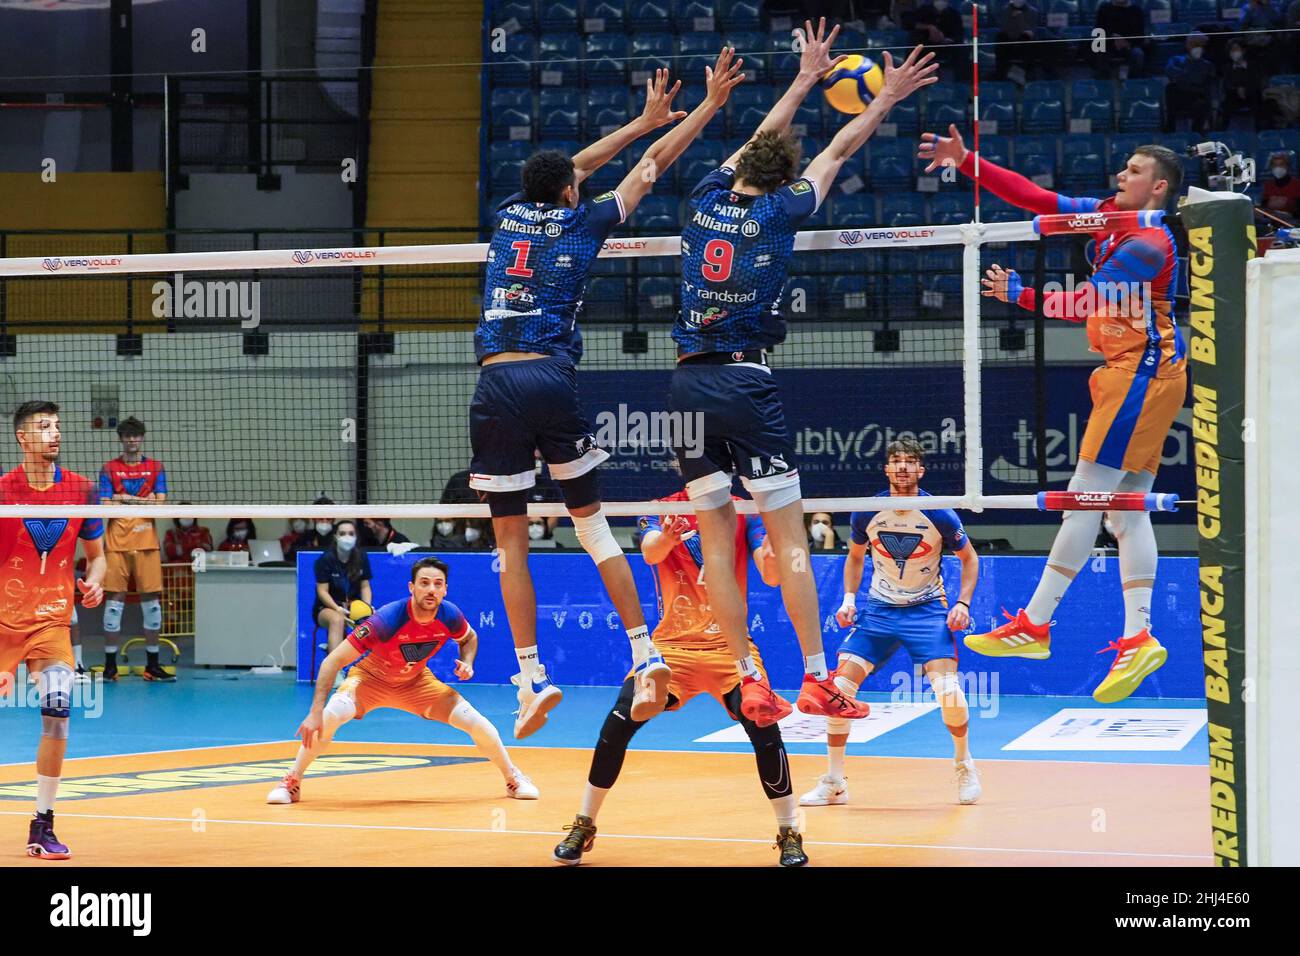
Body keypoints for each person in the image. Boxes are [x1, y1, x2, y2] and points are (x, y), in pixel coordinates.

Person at [469, 51, 745, 738]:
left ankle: (530, 678)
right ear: (569, 191)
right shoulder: (585, 221)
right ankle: (645, 652)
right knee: (592, 528)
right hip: (552, 378)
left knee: (511, 544)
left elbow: (574, 167)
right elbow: (652, 167)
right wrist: (699, 109)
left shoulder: (506, 218)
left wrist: (636, 120)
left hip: (496, 379)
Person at [668, 28, 937, 725]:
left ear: (736, 166)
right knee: (787, 539)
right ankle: (817, 677)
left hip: (683, 386)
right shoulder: (783, 207)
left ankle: (748, 673)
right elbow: (839, 148)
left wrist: (800, 78)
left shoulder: (703, 197)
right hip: (745, 382)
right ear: (785, 175)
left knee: (718, 545)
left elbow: (756, 142)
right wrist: (887, 99)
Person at [919, 125, 1185, 703]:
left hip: (1141, 371)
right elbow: (1038, 201)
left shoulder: (1151, 241)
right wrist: (967, 163)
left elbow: (1092, 301)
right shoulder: (1110, 214)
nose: (1121, 175)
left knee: (1086, 497)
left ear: (1159, 187)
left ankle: (1036, 625)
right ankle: (1139, 636)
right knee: (1125, 511)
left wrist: (1020, 295)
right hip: (1141, 371)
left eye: (1134, 171)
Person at [553, 492, 810, 867]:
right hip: (672, 648)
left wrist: (772, 553)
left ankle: (789, 832)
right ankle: (584, 824)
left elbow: (770, 575)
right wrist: (669, 538)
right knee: (619, 722)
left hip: (730, 647)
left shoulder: (742, 510)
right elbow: (650, 552)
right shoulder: (659, 508)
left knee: (763, 727)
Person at [267, 556, 538, 805]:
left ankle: (513, 778)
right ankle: (292, 781)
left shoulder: (450, 615)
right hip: (370, 679)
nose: (431, 589)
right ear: (412, 587)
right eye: (424, 583)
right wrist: (315, 712)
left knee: (478, 724)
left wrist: (467, 662)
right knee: (330, 716)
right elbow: (332, 661)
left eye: (437, 584)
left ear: (445, 590)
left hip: (417, 683)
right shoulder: (387, 620)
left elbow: (469, 637)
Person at [801, 439, 982, 808]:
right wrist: (849, 599)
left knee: (950, 692)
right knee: (839, 690)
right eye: (895, 462)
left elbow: (971, 560)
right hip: (879, 610)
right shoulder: (868, 512)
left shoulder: (940, 514)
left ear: (921, 471)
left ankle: (964, 765)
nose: (902, 467)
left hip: (928, 609)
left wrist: (962, 603)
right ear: (886, 470)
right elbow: (854, 558)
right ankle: (835, 782)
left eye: (910, 462)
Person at [1, 401, 107, 859]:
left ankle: (42, 824)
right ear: (23, 438)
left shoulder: (82, 490)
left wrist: (95, 581)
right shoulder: (3, 491)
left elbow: (98, 555)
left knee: (58, 713)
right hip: (3, 623)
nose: (55, 433)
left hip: (52, 623)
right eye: (44, 427)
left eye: (58, 426)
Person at [97, 416, 170, 683]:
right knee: (114, 603)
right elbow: (105, 506)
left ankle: (152, 664)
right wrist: (141, 501)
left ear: (142, 438)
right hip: (116, 542)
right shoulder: (109, 469)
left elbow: (161, 505)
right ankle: (109, 665)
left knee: (152, 605)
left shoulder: (155, 467)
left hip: (146, 541)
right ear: (121, 439)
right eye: (126, 436)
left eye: (135, 435)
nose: (131, 440)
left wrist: (124, 499)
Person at [312, 519, 373, 653]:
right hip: (327, 608)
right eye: (343, 533)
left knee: (377, 621)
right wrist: (337, 608)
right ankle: (334, 668)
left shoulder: (361, 557)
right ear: (336, 536)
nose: (347, 537)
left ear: (356, 537)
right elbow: (322, 591)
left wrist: (366, 608)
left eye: (351, 534)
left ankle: (370, 670)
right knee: (337, 620)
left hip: (352, 606)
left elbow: (365, 586)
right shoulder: (325, 560)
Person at [1164, 33, 1216, 135]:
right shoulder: (1176, 60)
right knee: (1170, 88)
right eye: (1195, 45)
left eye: (1201, 45)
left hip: (1197, 97)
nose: (1198, 48)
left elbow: (1199, 80)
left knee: (1201, 103)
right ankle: (1170, 129)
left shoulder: (1207, 65)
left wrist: (1182, 75)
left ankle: (1196, 135)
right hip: (1181, 95)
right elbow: (1169, 71)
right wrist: (1190, 75)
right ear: (1188, 45)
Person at [1092, 0, 1147, 80]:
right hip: (1108, 44)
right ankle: (1104, 83)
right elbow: (1097, 31)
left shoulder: (1137, 10)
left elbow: (1140, 35)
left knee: (1138, 54)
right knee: (1099, 52)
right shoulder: (1104, 8)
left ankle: (1133, 82)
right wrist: (1113, 37)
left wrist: (1127, 43)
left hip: (1129, 45)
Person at [995, 0, 1043, 82]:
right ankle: (1003, 77)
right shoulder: (1004, 11)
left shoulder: (1033, 12)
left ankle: (1025, 77)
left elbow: (1030, 32)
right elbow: (1004, 29)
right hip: (1008, 42)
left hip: (1024, 44)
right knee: (1001, 38)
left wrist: (1019, 18)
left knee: (1028, 39)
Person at [1221, 39, 1265, 127]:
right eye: (1231, 50)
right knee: (1227, 101)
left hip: (1252, 95)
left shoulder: (1254, 66)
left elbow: (1256, 82)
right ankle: (1221, 133)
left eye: (1236, 49)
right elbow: (1226, 84)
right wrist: (1238, 88)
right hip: (1234, 96)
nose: (1234, 52)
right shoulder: (1227, 68)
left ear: (1243, 51)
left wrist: (1244, 89)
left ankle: (1260, 131)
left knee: (1257, 98)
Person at [1263, 151, 1300, 222]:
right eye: (1275, 165)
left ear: (1288, 166)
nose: (1278, 168)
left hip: (1293, 225)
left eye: (1281, 165)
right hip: (1271, 223)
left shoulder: (1297, 185)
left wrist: (1289, 215)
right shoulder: (1268, 185)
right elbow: (1263, 209)